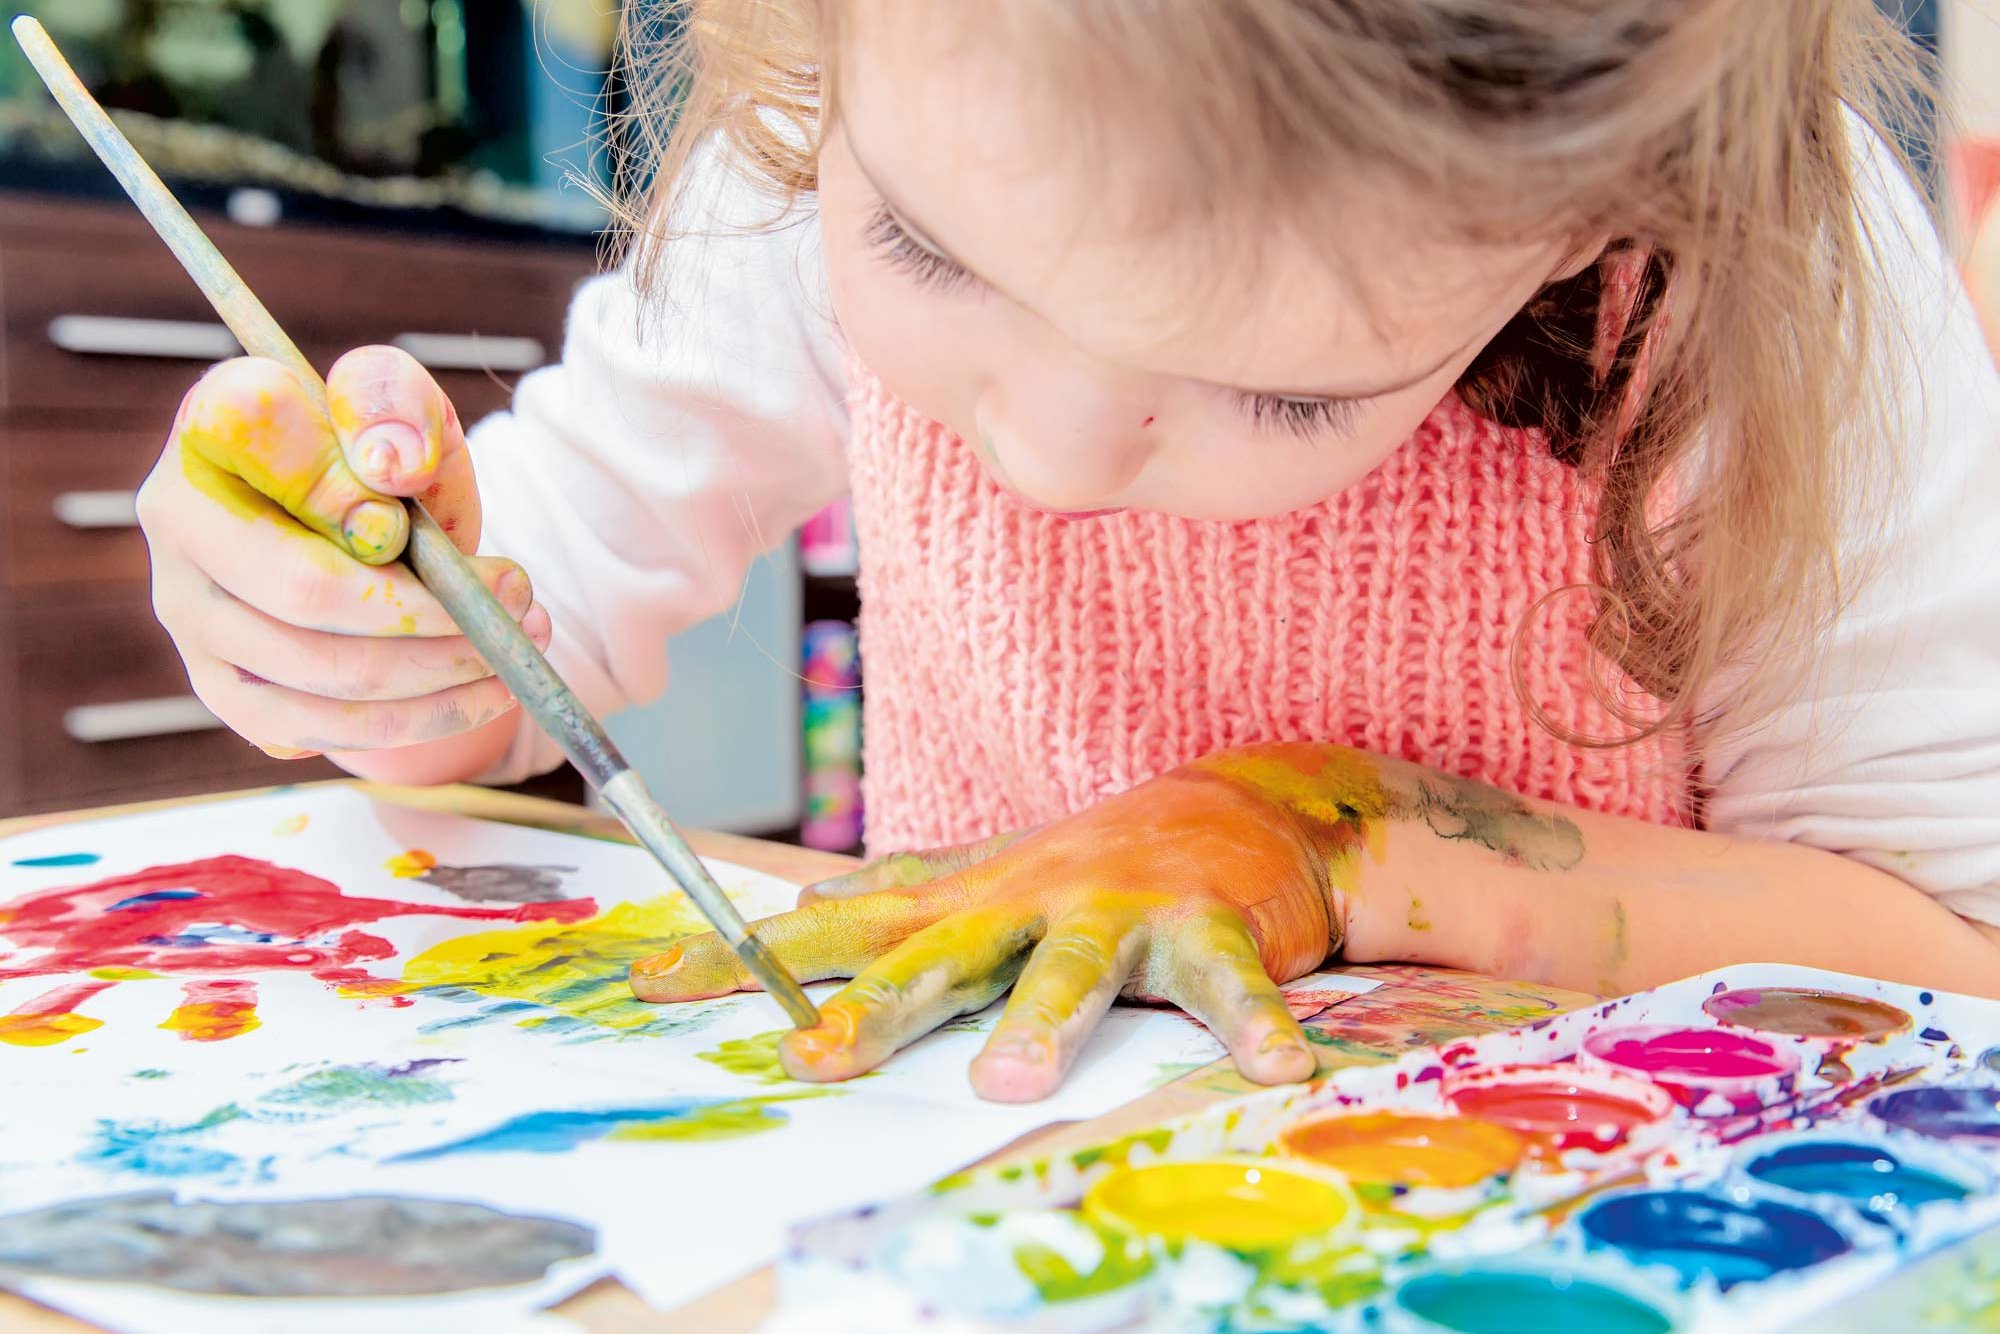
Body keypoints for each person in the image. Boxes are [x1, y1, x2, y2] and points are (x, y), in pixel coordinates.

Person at [138, 1, 2000, 1103]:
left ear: (1594, 217)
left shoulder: (1767, 301)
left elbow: (1957, 957)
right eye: (934, 258)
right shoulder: (837, 125)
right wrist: (368, 612)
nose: (1036, 448)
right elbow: (537, 612)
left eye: (1282, 394)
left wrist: (1328, 834)